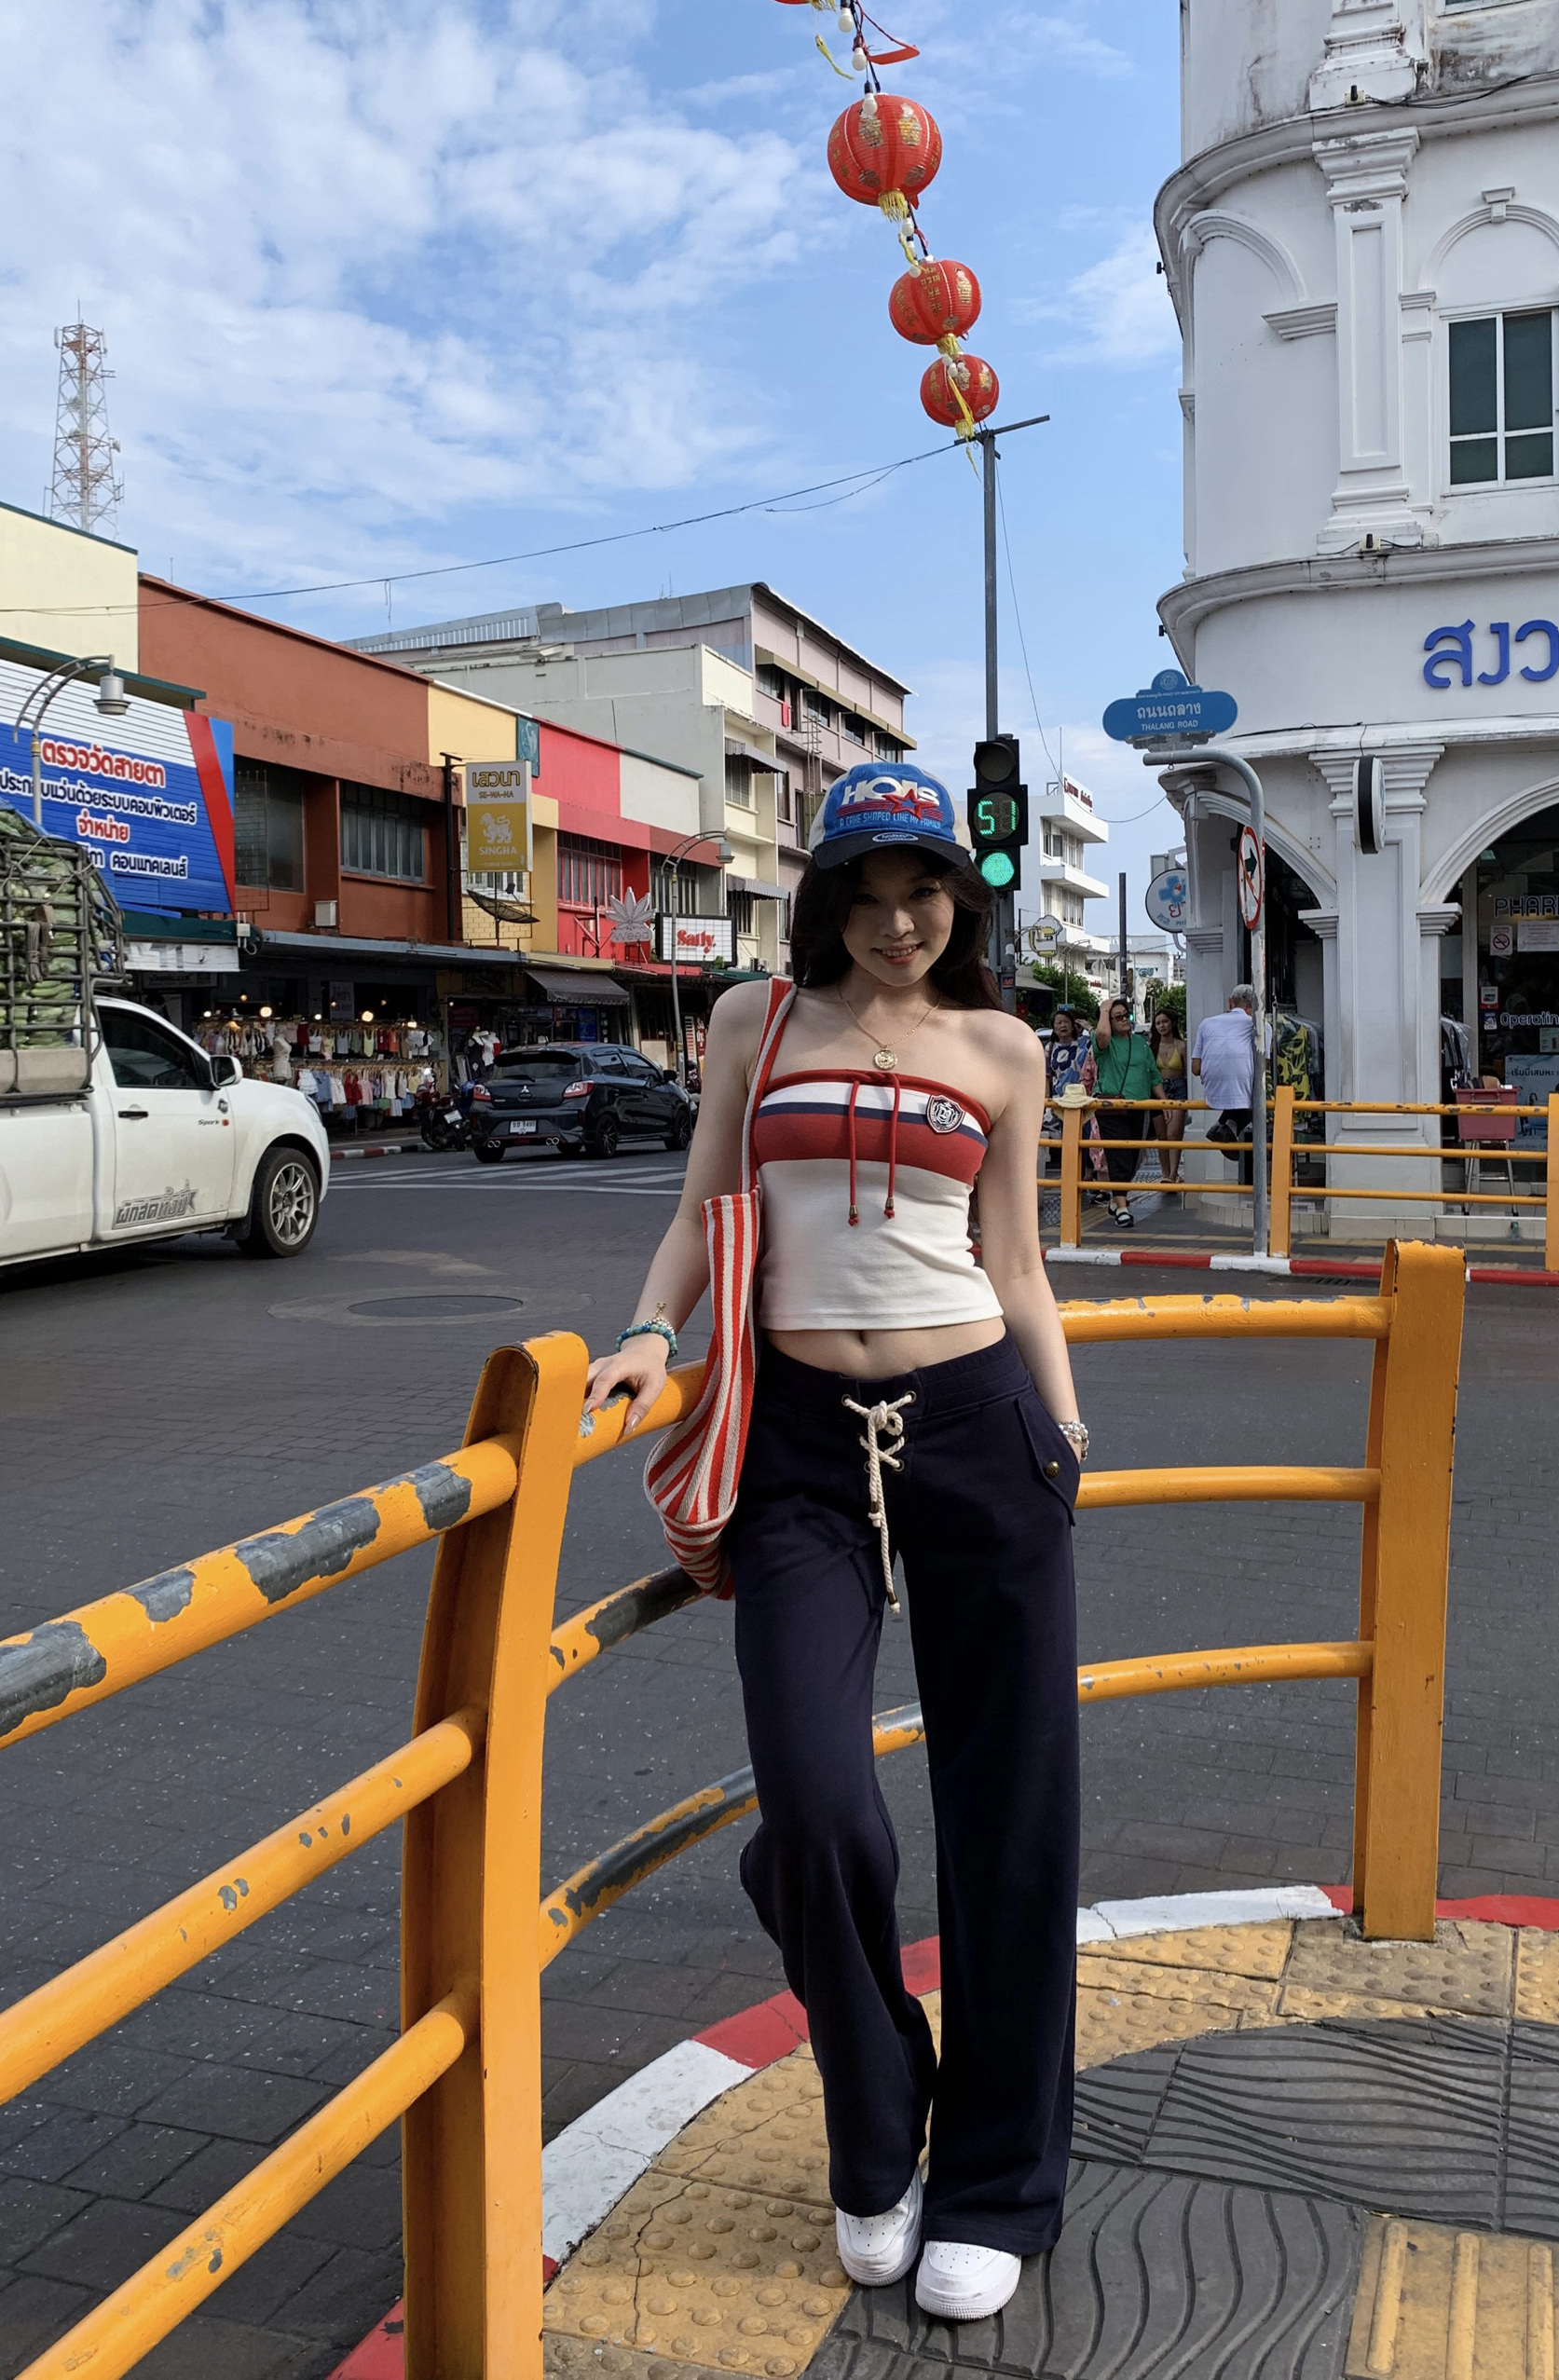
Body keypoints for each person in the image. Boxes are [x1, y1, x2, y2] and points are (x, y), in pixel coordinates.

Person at [581, 761, 1086, 2327]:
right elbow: (701, 1206)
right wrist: (647, 1333)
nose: (896, 922)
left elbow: (1015, 1257)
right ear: (824, 905)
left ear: (960, 898)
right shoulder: (756, 1020)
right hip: (799, 1449)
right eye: (865, 897)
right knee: (812, 1804)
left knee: (1011, 1815)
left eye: (921, 891)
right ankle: (879, 2120)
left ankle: (996, 2182)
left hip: (980, 1424)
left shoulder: (1001, 1047)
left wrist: (1064, 1431)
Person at [1092, 992, 1161, 1226]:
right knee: (1118, 1155)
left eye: (1126, 1015)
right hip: (1111, 1107)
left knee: (1134, 1158)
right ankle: (1122, 1207)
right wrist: (1105, 1008)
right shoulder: (1104, 1043)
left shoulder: (1140, 1043)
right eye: (1118, 1017)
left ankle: (1116, 1197)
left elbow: (1153, 1074)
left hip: (1139, 1106)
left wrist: (1165, 1103)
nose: (1124, 1020)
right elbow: (1102, 1034)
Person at [1191, 986, 1263, 1186]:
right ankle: (1230, 1126)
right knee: (1259, 1095)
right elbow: (1263, 1066)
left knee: (1239, 1088)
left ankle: (1220, 1125)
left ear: (1230, 1002)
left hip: (1212, 1086)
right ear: (1255, 1004)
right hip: (1243, 1084)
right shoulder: (1259, 1025)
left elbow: (1195, 1068)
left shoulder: (1206, 1023)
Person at [1041, 1005, 1089, 1177]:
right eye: (1058, 1023)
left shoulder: (1084, 1043)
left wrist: (1088, 1026)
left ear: (1073, 1025)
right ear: (1053, 1028)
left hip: (1084, 1100)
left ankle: (1086, 1176)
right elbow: (1047, 1076)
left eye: (1066, 1022)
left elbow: (1100, 1040)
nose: (1063, 1026)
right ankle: (1072, 1176)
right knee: (1068, 1141)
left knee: (1086, 1139)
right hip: (1062, 1101)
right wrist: (1048, 1102)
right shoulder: (1050, 1048)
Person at [1151, 1011, 1189, 1190]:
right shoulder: (1152, 1046)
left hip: (1178, 1088)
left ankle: (1173, 1174)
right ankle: (1165, 1173)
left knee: (1174, 1133)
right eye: (1158, 1023)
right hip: (1158, 1090)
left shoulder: (1182, 1046)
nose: (1162, 1026)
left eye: (1165, 1021)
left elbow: (1188, 1073)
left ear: (1172, 1023)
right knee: (1162, 1136)